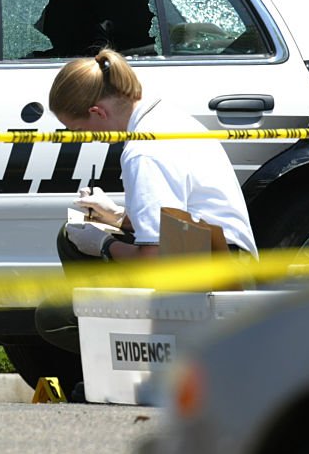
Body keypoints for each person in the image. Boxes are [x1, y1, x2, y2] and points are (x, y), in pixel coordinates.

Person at [35, 48, 258, 398]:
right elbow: (180, 223)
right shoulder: (166, 116)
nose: (86, 137)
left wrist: (104, 245)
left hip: (209, 280)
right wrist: (118, 217)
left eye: (80, 129)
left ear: (97, 112)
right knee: (77, 238)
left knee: (54, 315)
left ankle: (143, 371)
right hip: (224, 263)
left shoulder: (143, 152)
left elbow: (158, 259)